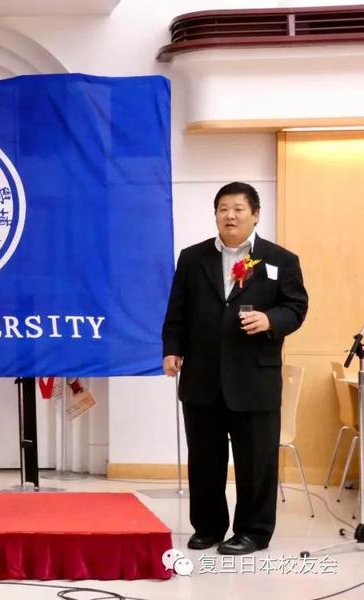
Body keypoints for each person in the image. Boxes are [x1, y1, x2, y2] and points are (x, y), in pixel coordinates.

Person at [162, 182, 308, 555]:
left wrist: (270, 320)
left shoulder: (280, 260)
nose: (230, 215)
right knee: (205, 459)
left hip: (255, 377)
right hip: (203, 376)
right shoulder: (193, 258)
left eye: (239, 209)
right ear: (215, 215)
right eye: (223, 208)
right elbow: (177, 310)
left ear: (255, 215)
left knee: (256, 460)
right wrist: (172, 349)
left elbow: (296, 307)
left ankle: (253, 532)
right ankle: (208, 527)